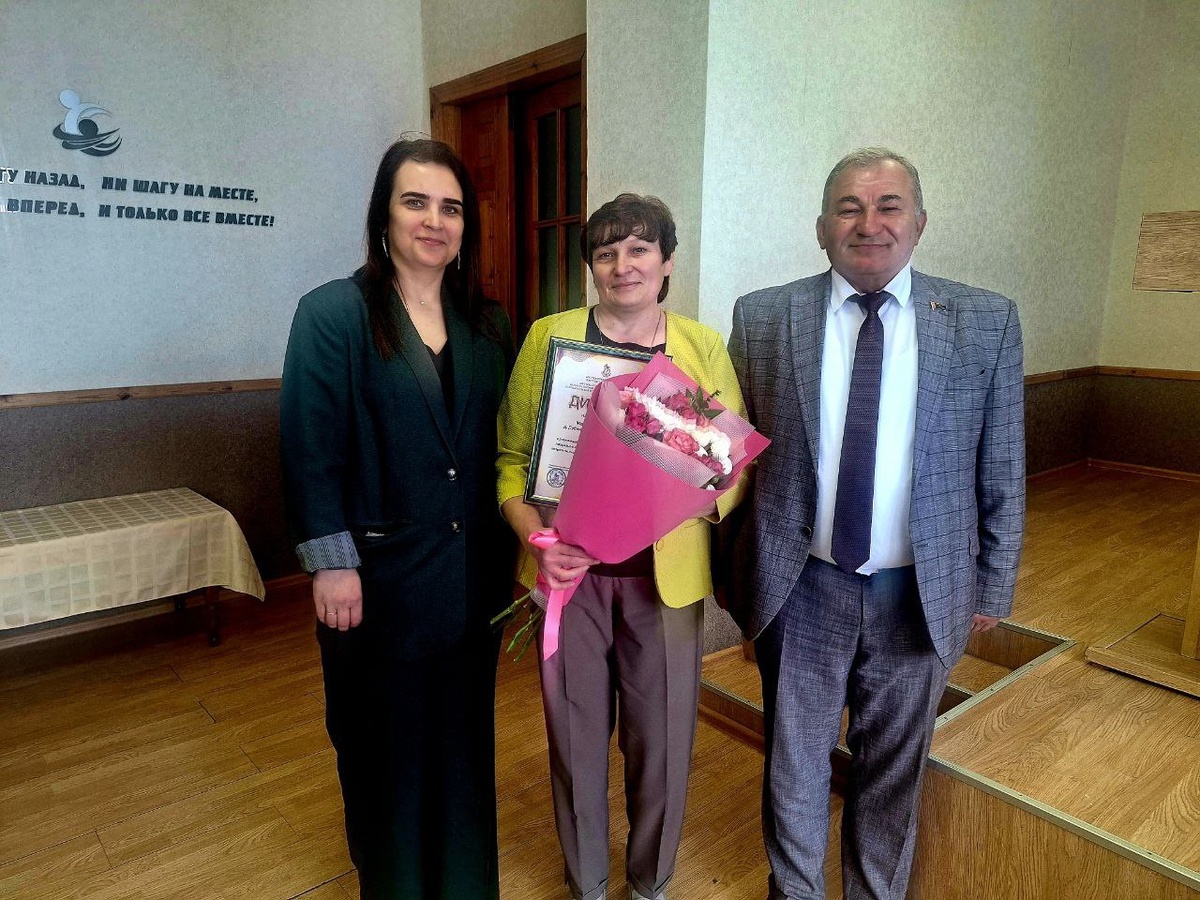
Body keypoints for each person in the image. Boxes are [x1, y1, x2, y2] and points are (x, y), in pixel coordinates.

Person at [725, 148, 1025, 900]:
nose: (870, 223)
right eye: (849, 208)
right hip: (800, 586)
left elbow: (1001, 464)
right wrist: (736, 577)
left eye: (889, 206)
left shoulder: (985, 321)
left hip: (919, 592)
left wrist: (994, 581)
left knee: (893, 773)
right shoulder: (763, 318)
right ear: (821, 227)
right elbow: (732, 458)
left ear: (919, 223)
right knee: (793, 765)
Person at [280, 138, 513, 899]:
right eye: (416, 202)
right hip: (375, 584)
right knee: (382, 747)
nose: (434, 221)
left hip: (473, 581)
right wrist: (332, 563)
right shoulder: (333, 314)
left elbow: (507, 443)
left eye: (451, 207)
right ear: (384, 214)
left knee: (462, 744)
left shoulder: (488, 322)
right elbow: (309, 446)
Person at [497, 194, 748, 900]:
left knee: (661, 740)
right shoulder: (549, 337)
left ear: (666, 263)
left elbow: (731, 464)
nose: (622, 265)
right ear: (591, 267)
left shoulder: (699, 345)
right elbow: (510, 462)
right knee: (573, 738)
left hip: (663, 580)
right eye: (606, 252)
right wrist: (534, 538)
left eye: (639, 249)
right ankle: (586, 883)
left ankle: (650, 883)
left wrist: (678, 494)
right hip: (567, 575)